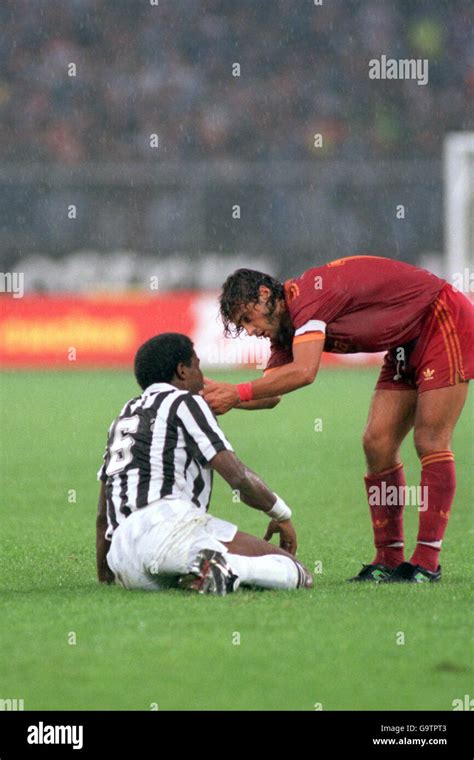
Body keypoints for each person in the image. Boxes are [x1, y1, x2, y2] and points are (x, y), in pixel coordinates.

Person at [202, 256, 473, 583]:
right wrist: (211, 397)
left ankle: (427, 562)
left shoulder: (308, 298)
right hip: (405, 340)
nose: (249, 330)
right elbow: (270, 395)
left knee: (430, 440)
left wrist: (236, 392)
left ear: (264, 294)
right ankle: (388, 559)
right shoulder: (286, 328)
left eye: (247, 318)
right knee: (377, 443)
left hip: (441, 317)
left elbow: (305, 371)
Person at [96, 332, 312, 595]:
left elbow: (102, 514)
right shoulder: (185, 402)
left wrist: (106, 577)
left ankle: (205, 571)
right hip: (169, 527)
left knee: (182, 567)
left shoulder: (124, 415)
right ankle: (223, 568)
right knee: (295, 571)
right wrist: (281, 514)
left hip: (123, 558)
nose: (202, 376)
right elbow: (237, 477)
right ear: (182, 370)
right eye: (197, 365)